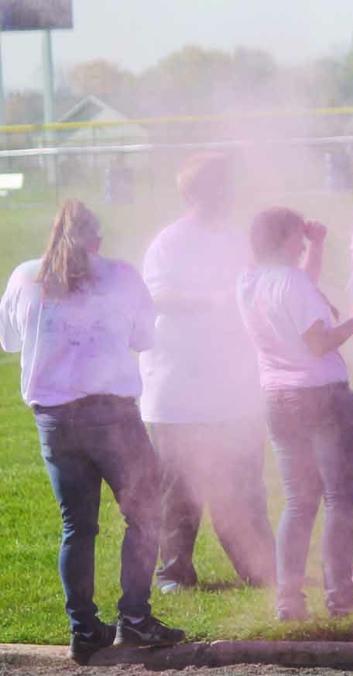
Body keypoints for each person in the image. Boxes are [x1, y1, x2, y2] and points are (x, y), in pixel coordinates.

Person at [0, 200, 184, 664]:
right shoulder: (121, 276)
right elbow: (145, 338)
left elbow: (8, 340)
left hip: (54, 420)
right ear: (97, 240)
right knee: (143, 515)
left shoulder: (24, 277)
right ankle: (135, 618)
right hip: (112, 416)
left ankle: (83, 629)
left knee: (77, 527)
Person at [139, 152, 275, 593]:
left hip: (235, 385)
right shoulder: (169, 243)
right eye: (222, 184)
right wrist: (214, 300)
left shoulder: (240, 238)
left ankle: (261, 567)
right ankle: (174, 571)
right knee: (179, 485)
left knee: (244, 482)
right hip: (179, 387)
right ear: (196, 191)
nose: (230, 192)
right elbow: (156, 296)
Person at [237, 207, 353, 620]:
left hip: (278, 398)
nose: (302, 243)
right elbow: (318, 342)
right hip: (322, 396)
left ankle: (289, 601)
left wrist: (316, 246)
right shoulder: (291, 281)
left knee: (299, 502)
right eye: (298, 237)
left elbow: (300, 295)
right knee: (338, 499)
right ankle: (340, 598)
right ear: (283, 239)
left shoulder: (249, 281)